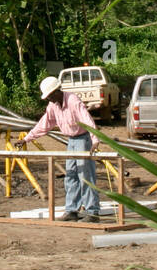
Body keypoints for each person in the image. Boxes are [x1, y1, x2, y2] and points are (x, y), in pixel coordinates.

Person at [17, 75, 101, 222]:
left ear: (57, 91)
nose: (49, 99)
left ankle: (92, 211)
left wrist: (95, 140)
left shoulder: (73, 101)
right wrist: (26, 138)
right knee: (71, 175)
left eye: (50, 96)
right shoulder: (53, 106)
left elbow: (87, 120)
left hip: (83, 139)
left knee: (85, 176)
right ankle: (72, 210)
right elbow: (44, 124)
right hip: (71, 141)